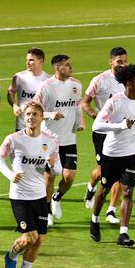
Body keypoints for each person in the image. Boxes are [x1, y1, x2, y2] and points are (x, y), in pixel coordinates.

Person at [0, 102, 60, 268]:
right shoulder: (14, 139)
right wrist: (10, 175)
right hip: (20, 196)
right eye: (28, 114)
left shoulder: (51, 141)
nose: (31, 117)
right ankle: (11, 256)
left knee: (39, 239)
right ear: (24, 117)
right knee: (29, 237)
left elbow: (58, 169)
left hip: (39, 196)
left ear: (42, 117)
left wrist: (52, 164)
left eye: (35, 114)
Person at [90, 65, 135, 247]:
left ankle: (123, 233)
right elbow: (97, 126)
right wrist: (120, 126)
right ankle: (95, 219)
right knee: (105, 189)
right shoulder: (114, 102)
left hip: (131, 153)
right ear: (130, 82)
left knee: (128, 192)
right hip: (112, 154)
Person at [79, 47, 128, 224]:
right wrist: (95, 116)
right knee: (103, 171)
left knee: (120, 171)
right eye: (119, 62)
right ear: (111, 62)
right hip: (102, 133)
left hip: (122, 132)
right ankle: (91, 186)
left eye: (125, 61)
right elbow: (84, 103)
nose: (122, 65)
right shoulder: (100, 80)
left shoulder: (128, 80)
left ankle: (111, 210)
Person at [33, 54, 84, 223]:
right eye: (67, 65)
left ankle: (56, 197)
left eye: (71, 64)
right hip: (50, 140)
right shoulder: (46, 87)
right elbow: (33, 110)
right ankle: (47, 211)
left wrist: (80, 122)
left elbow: (77, 106)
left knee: (69, 177)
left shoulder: (76, 85)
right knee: (50, 177)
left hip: (69, 139)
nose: (71, 67)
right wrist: (49, 114)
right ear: (57, 68)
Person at [7, 48, 50, 131]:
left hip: (41, 126)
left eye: (31, 60)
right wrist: (14, 106)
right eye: (27, 60)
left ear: (40, 61)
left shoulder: (48, 80)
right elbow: (11, 92)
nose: (27, 63)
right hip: (22, 124)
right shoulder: (19, 77)